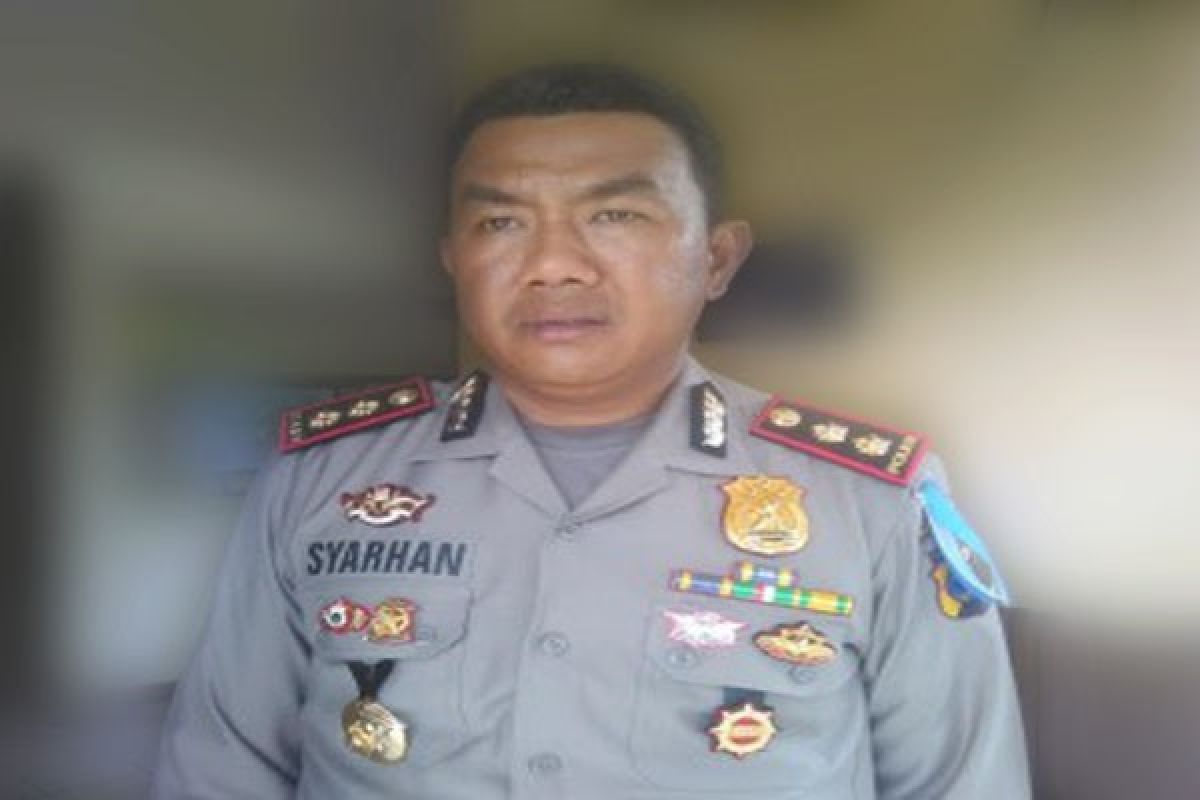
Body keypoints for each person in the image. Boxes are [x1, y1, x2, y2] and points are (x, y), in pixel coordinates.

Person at [152, 62, 1030, 799]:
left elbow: (962, 782)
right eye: (502, 222)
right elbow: (223, 767)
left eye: (615, 216)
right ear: (454, 260)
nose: (553, 265)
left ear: (717, 257)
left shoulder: (867, 500)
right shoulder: (322, 477)